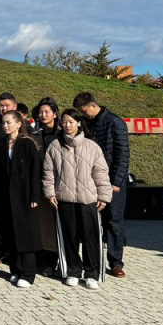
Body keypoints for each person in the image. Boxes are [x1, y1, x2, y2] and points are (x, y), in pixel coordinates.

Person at [43, 109, 112, 290]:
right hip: (64, 199)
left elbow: (101, 173)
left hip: (88, 199)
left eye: (71, 122)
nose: (67, 125)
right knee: (69, 237)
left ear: (79, 123)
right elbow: (48, 173)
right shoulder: (55, 146)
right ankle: (73, 271)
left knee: (91, 238)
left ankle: (92, 273)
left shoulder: (92, 146)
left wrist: (104, 195)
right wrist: (50, 193)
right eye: (64, 122)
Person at [73, 92, 129, 277]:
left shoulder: (115, 122)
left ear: (93, 106)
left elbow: (122, 155)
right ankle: (93, 260)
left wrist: (115, 182)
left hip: (112, 183)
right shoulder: (86, 123)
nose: (82, 115)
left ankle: (115, 262)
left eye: (83, 111)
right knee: (94, 222)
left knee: (114, 221)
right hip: (90, 181)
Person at [0, 111, 41, 288]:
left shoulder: (27, 144)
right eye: (3, 123)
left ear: (19, 124)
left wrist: (35, 195)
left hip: (23, 195)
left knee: (25, 234)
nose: (5, 126)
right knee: (10, 233)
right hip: (5, 196)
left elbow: (35, 172)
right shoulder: (0, 144)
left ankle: (28, 273)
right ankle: (15, 270)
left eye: (9, 122)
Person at [31, 97, 61, 275]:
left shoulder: (61, 135)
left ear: (55, 114)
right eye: (40, 112)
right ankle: (42, 260)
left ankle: (54, 262)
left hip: (59, 187)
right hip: (40, 185)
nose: (43, 115)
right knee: (42, 226)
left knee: (55, 226)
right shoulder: (36, 136)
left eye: (47, 112)